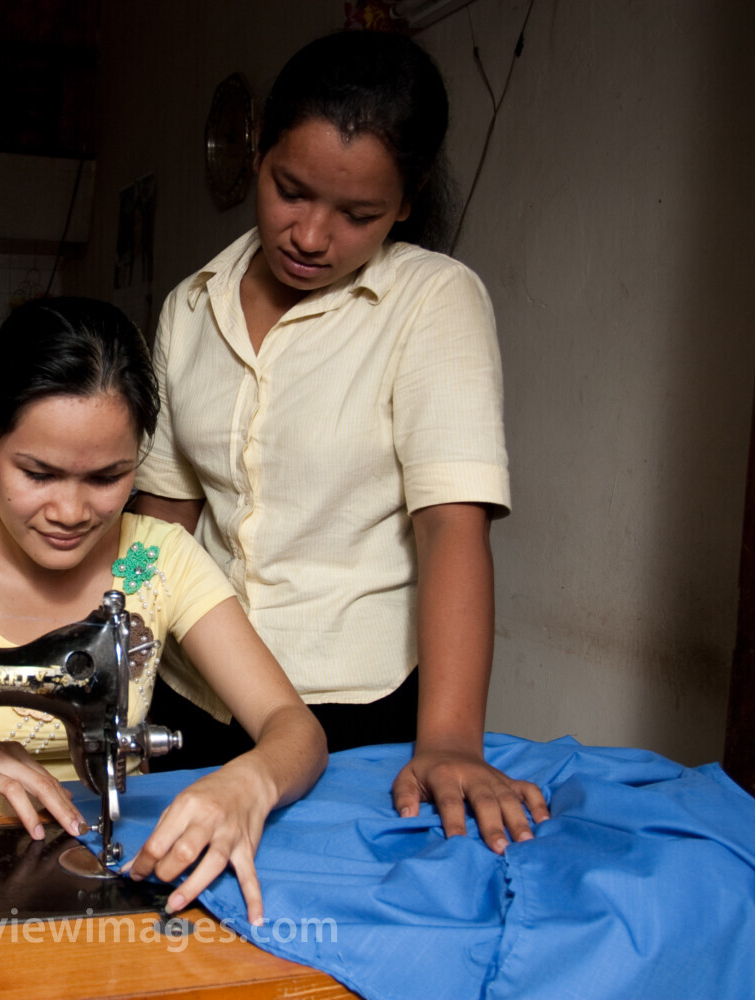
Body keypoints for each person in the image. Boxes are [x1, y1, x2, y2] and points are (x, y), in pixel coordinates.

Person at [131, 30, 550, 854]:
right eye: (291, 191)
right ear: (259, 155)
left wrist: (453, 743)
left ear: (406, 199)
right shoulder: (192, 306)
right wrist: (122, 664)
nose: (312, 237)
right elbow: (161, 523)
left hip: (354, 712)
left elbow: (450, 527)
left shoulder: (431, 302)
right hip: (193, 694)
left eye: (356, 214)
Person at [0, 297, 327, 923]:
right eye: (38, 473)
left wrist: (248, 780)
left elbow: (295, 728)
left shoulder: (156, 559)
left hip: (122, 856)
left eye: (106, 478)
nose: (70, 512)